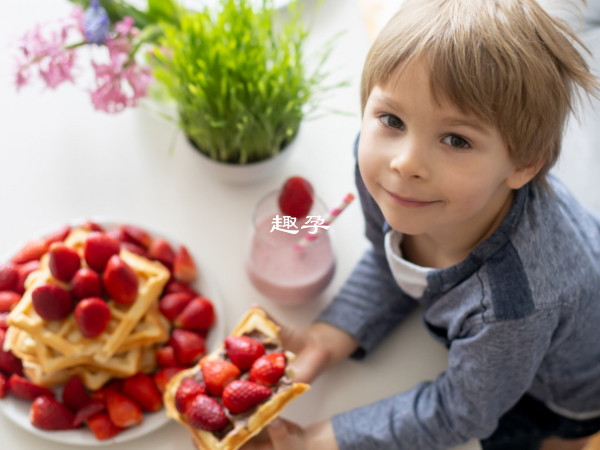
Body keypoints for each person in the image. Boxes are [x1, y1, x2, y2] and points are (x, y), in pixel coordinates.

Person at [244, 0, 600, 448]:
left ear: (524, 164)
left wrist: (316, 440)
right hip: (500, 349)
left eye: (456, 139)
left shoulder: (515, 303)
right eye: (392, 119)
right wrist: (326, 337)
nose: (405, 162)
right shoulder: (395, 183)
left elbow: (461, 412)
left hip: (560, 391)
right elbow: (389, 257)